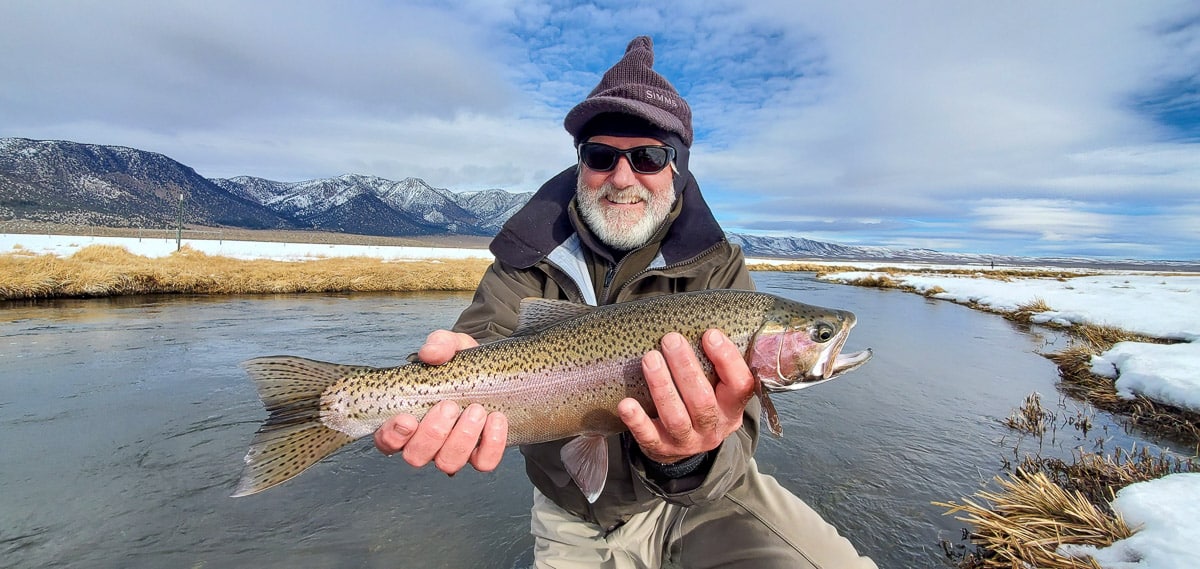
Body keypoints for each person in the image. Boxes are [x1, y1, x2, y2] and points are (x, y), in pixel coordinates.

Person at [374, 36, 878, 569]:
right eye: (600, 156)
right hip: (570, 510)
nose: (621, 177)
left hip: (702, 500)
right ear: (581, 164)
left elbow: (740, 438)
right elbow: (476, 349)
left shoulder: (721, 271)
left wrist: (690, 459)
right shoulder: (520, 261)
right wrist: (424, 378)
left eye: (648, 157)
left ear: (675, 168)